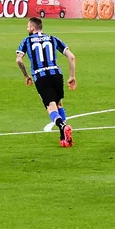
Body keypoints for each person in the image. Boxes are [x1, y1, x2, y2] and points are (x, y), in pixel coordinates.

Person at [16, 17, 78, 147]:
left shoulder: (27, 41)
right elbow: (71, 57)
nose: (27, 29)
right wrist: (72, 76)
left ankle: (62, 126)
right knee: (59, 104)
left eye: (28, 27)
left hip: (41, 76)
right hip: (56, 74)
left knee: (50, 107)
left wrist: (26, 75)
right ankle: (64, 138)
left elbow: (19, 60)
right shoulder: (53, 38)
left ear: (32, 28)